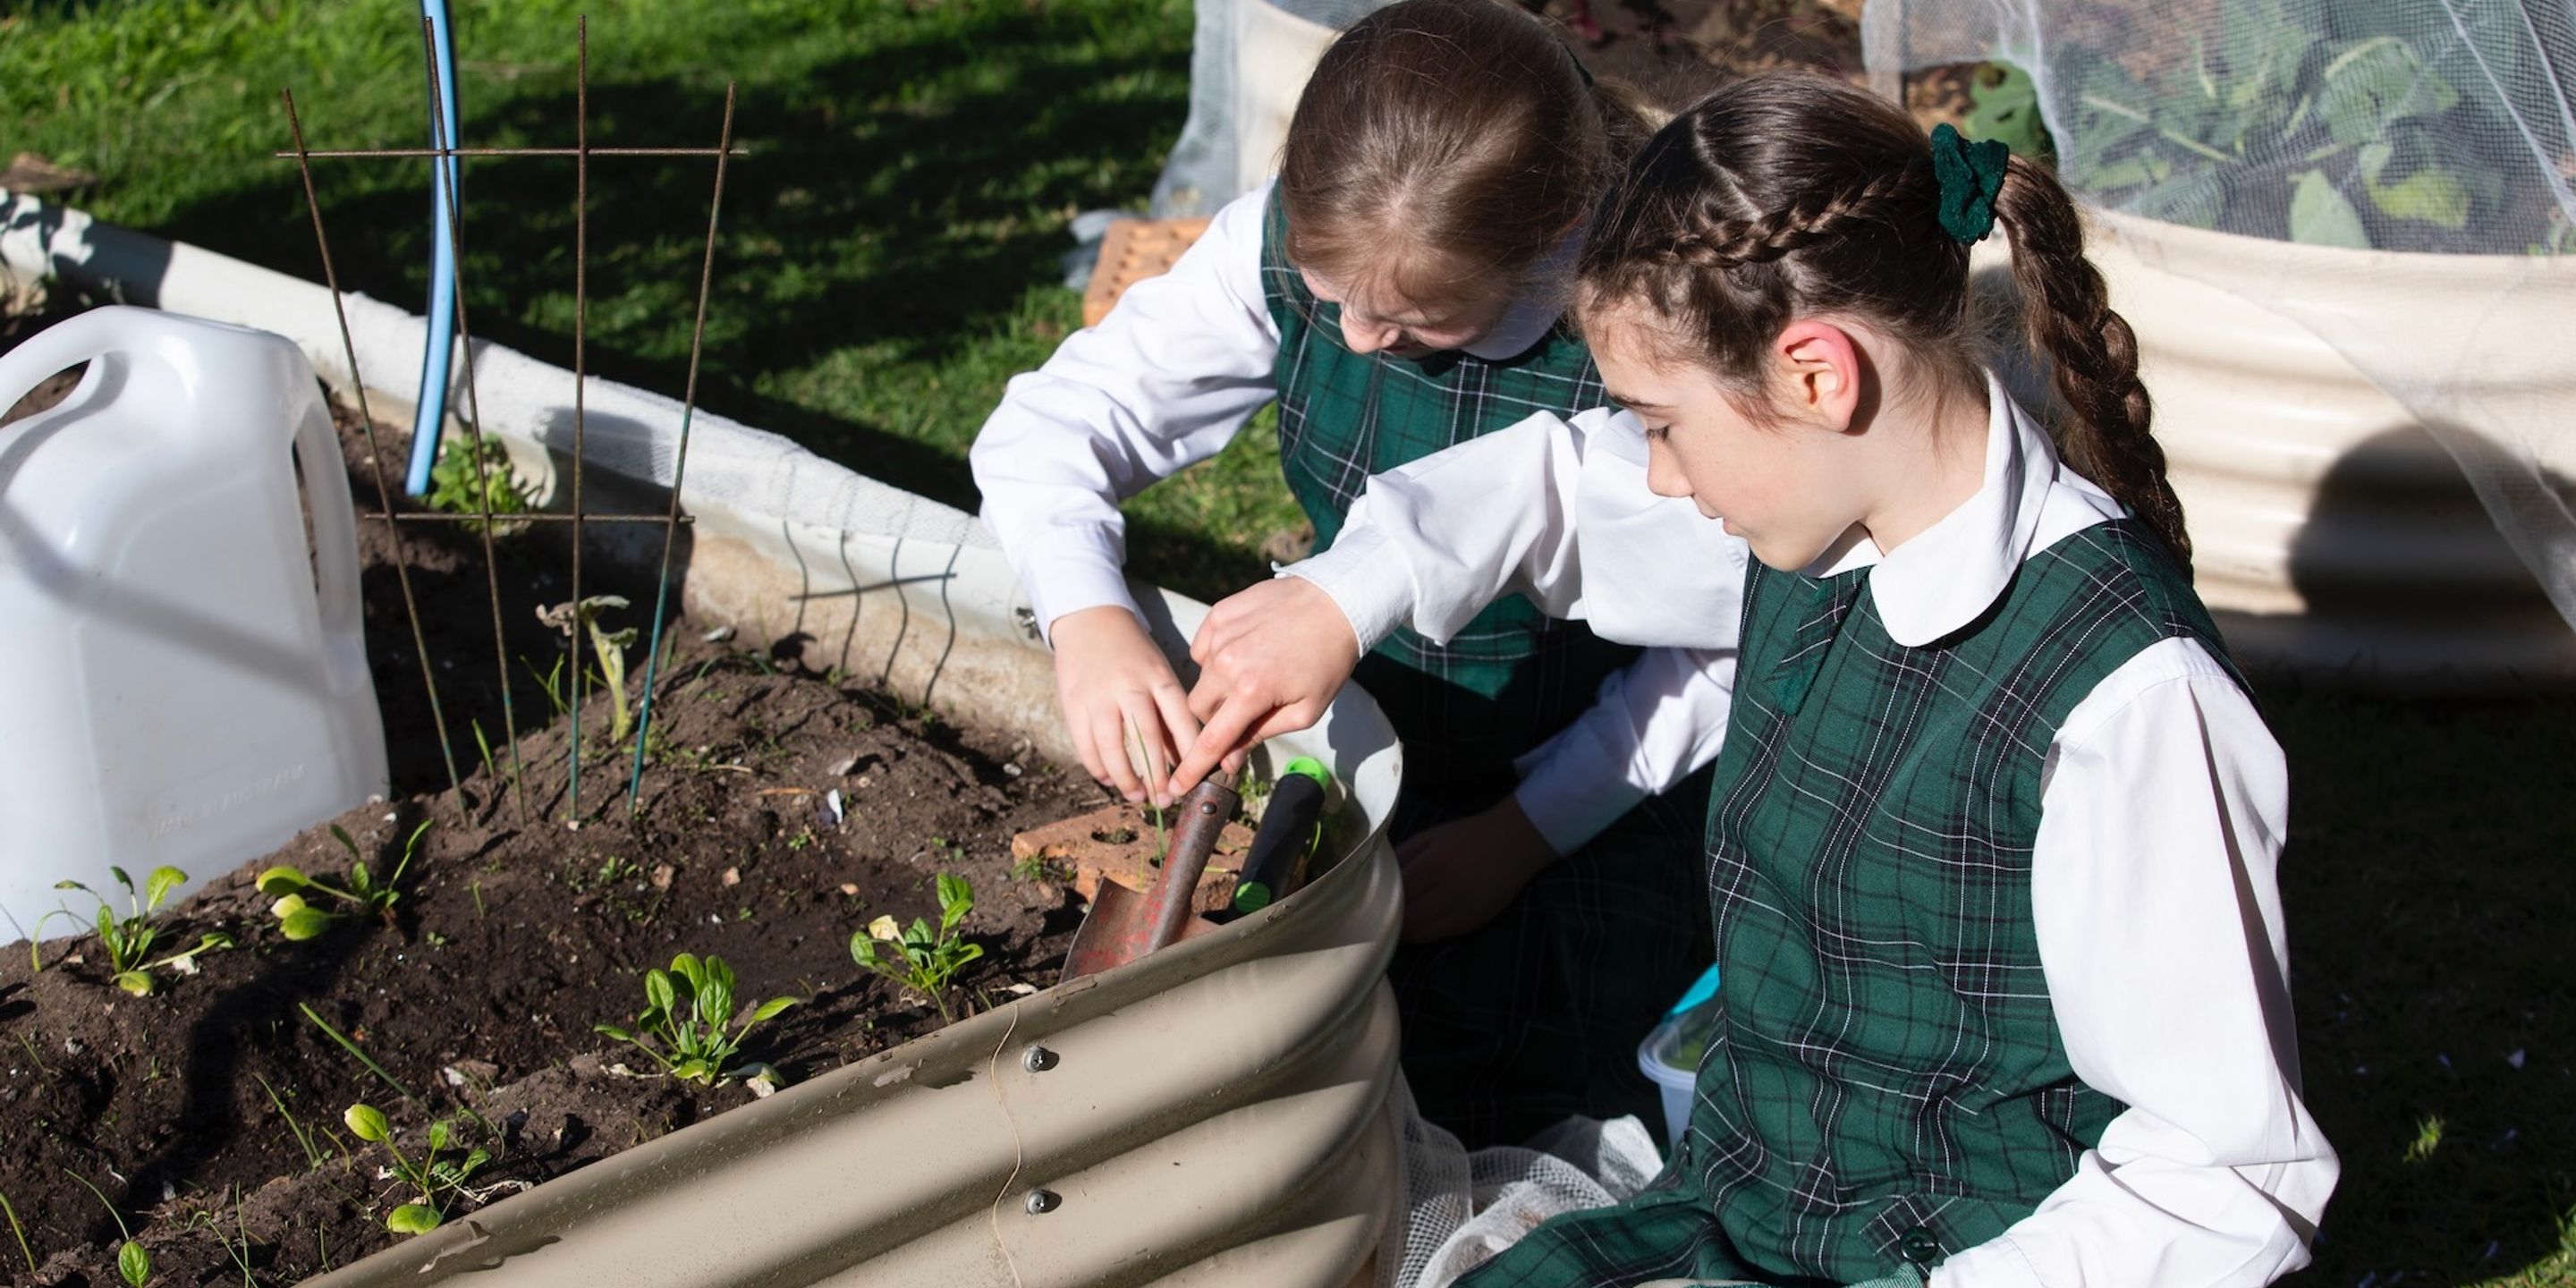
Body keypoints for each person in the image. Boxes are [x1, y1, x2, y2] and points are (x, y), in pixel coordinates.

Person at [1171, 73, 2338, 1288]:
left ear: (1817, 373)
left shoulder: (2127, 699)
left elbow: (2225, 1177)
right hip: (1750, 1213)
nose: (1660, 476)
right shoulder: (1832, 505)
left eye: (1661, 424)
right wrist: (1343, 593)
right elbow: (1561, 487)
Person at [970, 0, 1734, 1147]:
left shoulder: (1636, 337)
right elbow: (1054, 428)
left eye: (1418, 321)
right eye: (1335, 301)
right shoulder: (1280, 244)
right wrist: (1087, 616)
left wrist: (1523, 831)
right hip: (1375, 723)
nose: (1364, 340)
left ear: (1554, 233)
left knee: (1474, 1085)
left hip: (1597, 763)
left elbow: (1731, 640)